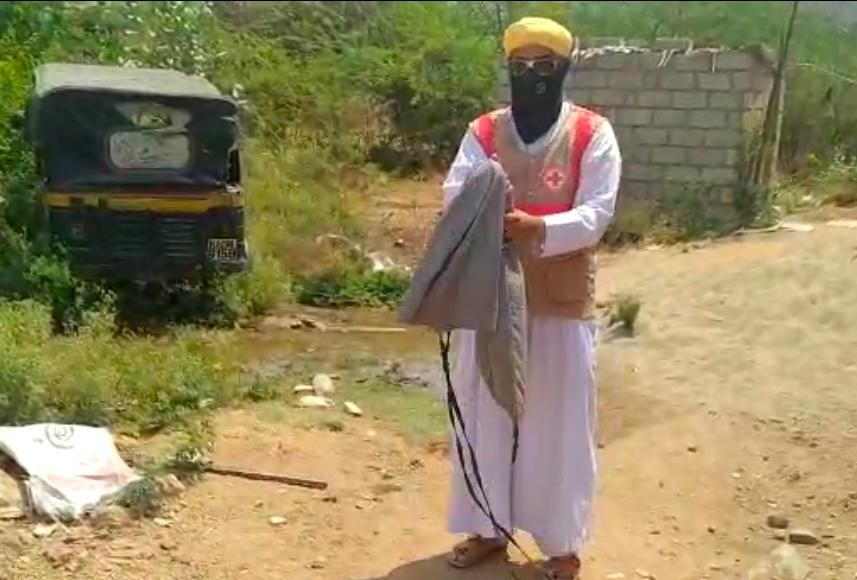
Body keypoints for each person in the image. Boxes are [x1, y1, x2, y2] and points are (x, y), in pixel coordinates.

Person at [440, 16, 622, 579]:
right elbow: (455, 192)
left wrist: (538, 229)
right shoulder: (484, 132)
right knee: (485, 412)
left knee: (558, 426)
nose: (532, 76)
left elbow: (596, 213)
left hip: (559, 303)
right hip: (490, 298)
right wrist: (489, 209)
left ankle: (562, 546)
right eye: (521, 66)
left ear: (564, 69)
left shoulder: (593, 133)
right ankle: (487, 527)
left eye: (544, 66)